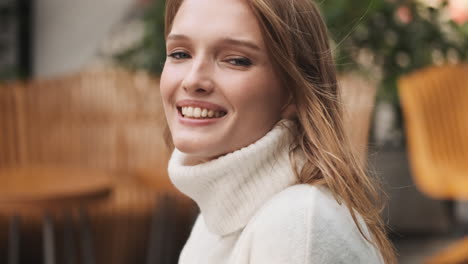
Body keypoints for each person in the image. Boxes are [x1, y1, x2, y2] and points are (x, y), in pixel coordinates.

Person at [159, 0, 396, 263]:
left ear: (293, 91)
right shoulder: (218, 220)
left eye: (236, 60)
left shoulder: (296, 222)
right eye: (180, 54)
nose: (192, 80)